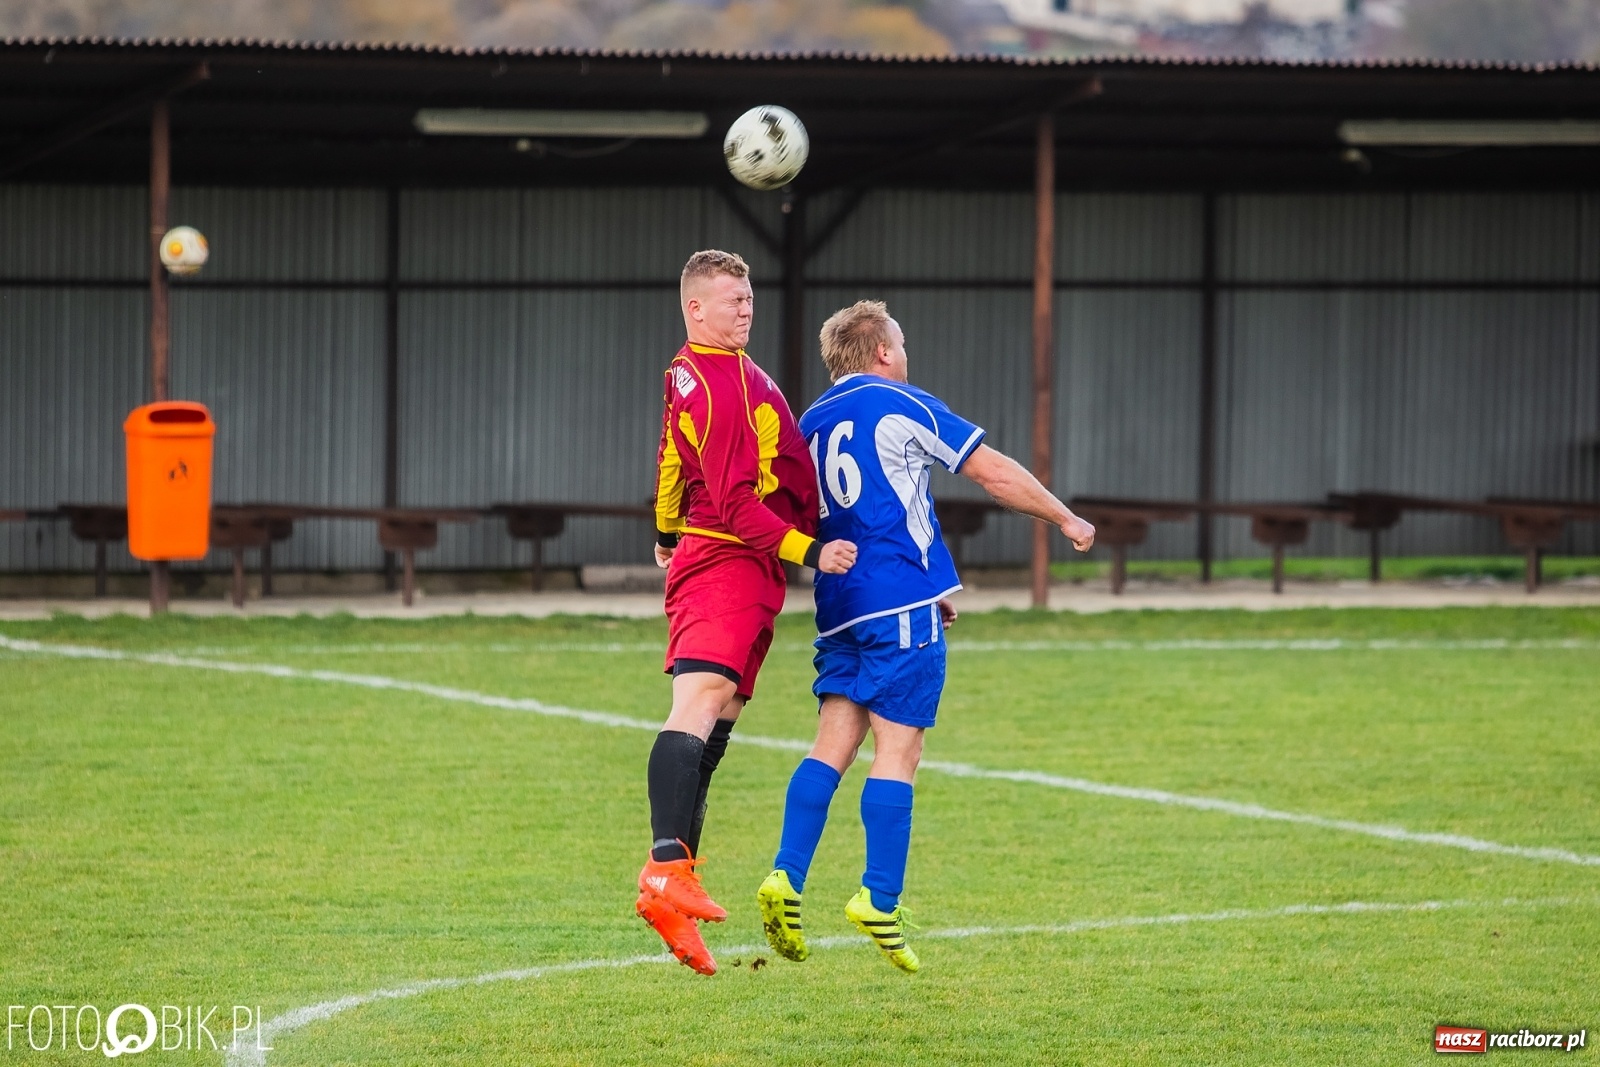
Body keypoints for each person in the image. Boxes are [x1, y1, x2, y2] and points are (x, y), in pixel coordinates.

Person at [756, 300, 1095, 973]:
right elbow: (991, 471)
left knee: (833, 741)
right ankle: (879, 896)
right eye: (901, 341)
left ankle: (785, 876)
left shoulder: (810, 422)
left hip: (840, 603)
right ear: (882, 350)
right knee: (900, 748)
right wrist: (1066, 518)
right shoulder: (900, 401)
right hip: (897, 601)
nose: (905, 353)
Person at [638, 250, 858, 976]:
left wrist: (666, 530)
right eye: (731, 298)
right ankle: (667, 865)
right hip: (732, 556)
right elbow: (733, 501)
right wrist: (807, 548)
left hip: (736, 560)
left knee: (720, 713)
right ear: (694, 308)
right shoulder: (721, 382)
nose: (746, 306)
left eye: (749, 295)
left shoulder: (696, 371)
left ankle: (676, 886)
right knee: (700, 699)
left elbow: (674, 455)